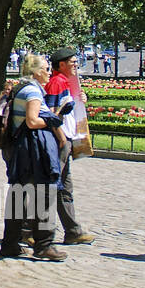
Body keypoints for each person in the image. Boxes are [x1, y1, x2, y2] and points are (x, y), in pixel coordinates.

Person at [0, 53, 68, 261]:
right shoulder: (32, 92)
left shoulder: (22, 87)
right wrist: (54, 120)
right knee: (44, 196)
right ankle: (44, 245)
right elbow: (32, 121)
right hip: (34, 150)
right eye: (45, 69)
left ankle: (10, 243)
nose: (48, 72)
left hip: (23, 149)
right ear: (36, 72)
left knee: (18, 195)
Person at [45, 47, 95, 245]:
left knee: (65, 188)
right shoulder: (57, 83)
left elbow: (70, 108)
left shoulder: (66, 82)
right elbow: (50, 113)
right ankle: (30, 230)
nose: (76, 65)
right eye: (73, 62)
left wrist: (81, 100)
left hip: (66, 138)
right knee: (51, 185)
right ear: (62, 64)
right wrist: (62, 139)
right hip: (60, 140)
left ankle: (73, 231)